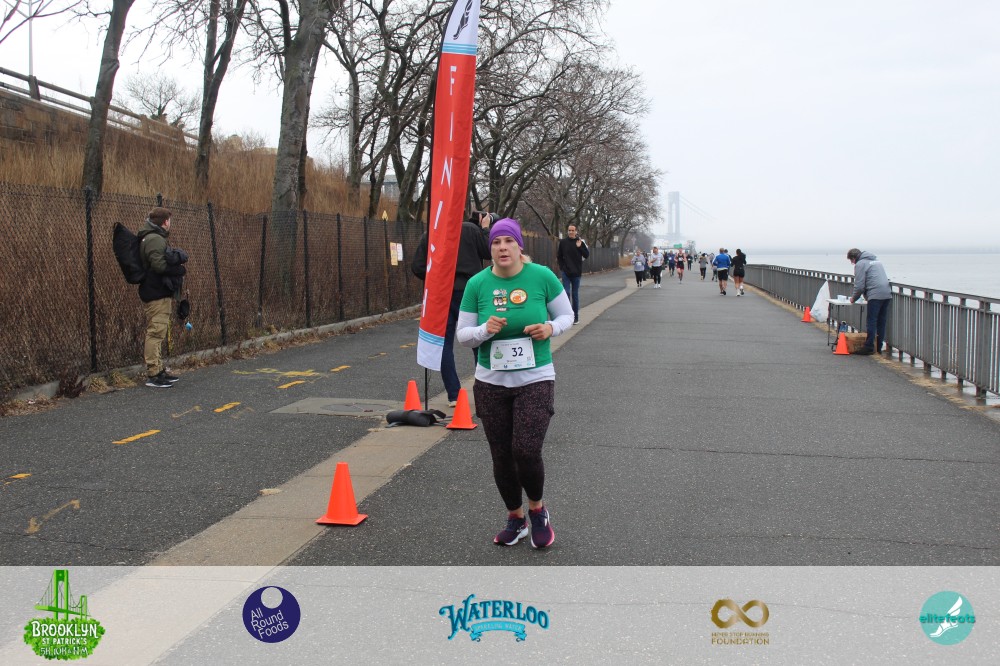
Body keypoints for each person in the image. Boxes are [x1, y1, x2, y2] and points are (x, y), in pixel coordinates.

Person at [456, 218, 573, 549]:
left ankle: (537, 510)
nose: (502, 247)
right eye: (496, 242)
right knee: (502, 455)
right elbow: (463, 335)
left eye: (508, 241)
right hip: (490, 383)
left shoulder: (542, 276)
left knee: (525, 449)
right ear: (490, 249)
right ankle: (515, 517)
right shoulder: (477, 284)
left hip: (535, 377)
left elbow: (567, 315)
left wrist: (550, 328)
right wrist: (484, 331)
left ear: (520, 246)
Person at [412, 211, 492, 406]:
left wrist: (436, 277)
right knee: (477, 340)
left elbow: (418, 267)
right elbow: (489, 252)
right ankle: (483, 391)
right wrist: (485, 229)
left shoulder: (431, 234)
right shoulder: (471, 230)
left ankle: (454, 394)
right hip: (469, 290)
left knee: (444, 343)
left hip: (441, 294)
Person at [138, 207, 187, 388]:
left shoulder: (153, 237)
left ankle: (158, 370)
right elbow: (158, 265)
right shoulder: (154, 239)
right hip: (156, 291)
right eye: (169, 220)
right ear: (165, 221)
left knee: (159, 331)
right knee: (156, 332)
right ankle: (153, 373)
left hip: (158, 291)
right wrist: (178, 269)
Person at [848, 248, 892, 355]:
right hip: (887, 293)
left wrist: (853, 298)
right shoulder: (876, 261)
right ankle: (878, 347)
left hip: (875, 294)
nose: (852, 263)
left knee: (871, 320)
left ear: (854, 258)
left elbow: (859, 286)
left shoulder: (860, 264)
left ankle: (869, 346)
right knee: (881, 321)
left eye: (851, 261)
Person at [556, 224, 590, 324]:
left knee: (575, 295)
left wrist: (580, 247)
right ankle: (567, 316)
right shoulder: (563, 242)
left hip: (576, 273)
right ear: (567, 231)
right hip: (566, 272)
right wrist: (562, 267)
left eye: (572, 230)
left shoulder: (580, 242)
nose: (571, 232)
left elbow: (586, 255)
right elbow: (559, 256)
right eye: (569, 230)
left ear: (576, 231)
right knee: (566, 293)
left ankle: (575, 317)